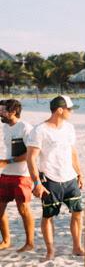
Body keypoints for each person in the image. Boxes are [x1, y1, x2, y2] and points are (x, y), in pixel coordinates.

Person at [25, 95, 84, 259]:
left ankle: (77, 247)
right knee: (48, 216)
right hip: (50, 180)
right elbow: (31, 158)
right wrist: (36, 182)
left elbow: (73, 152)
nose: (71, 112)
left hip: (70, 178)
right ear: (60, 110)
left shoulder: (69, 128)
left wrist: (79, 173)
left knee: (78, 212)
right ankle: (50, 251)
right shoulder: (39, 130)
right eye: (69, 109)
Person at [0, 99, 35, 251]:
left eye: (2, 111)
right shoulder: (6, 127)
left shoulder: (25, 128)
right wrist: (6, 163)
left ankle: (29, 243)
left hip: (22, 175)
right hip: (6, 174)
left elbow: (30, 153)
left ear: (13, 111)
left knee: (23, 209)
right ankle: (6, 241)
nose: (0, 113)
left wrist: (8, 161)